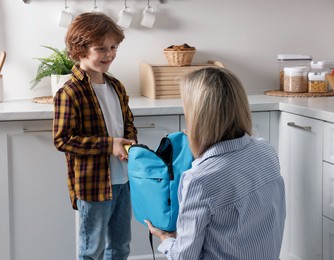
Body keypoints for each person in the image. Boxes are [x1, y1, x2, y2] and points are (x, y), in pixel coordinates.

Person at [145, 67, 286, 259]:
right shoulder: (266, 151)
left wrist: (166, 239)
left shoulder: (199, 179)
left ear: (199, 120)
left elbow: (184, 257)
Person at [53, 12, 137, 260]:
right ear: (80, 50)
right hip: (94, 185)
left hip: (123, 180)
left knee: (121, 248)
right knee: (92, 251)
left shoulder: (116, 86)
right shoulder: (69, 92)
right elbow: (63, 139)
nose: (109, 54)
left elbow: (128, 123)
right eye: (101, 48)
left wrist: (130, 144)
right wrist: (108, 145)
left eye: (113, 47)